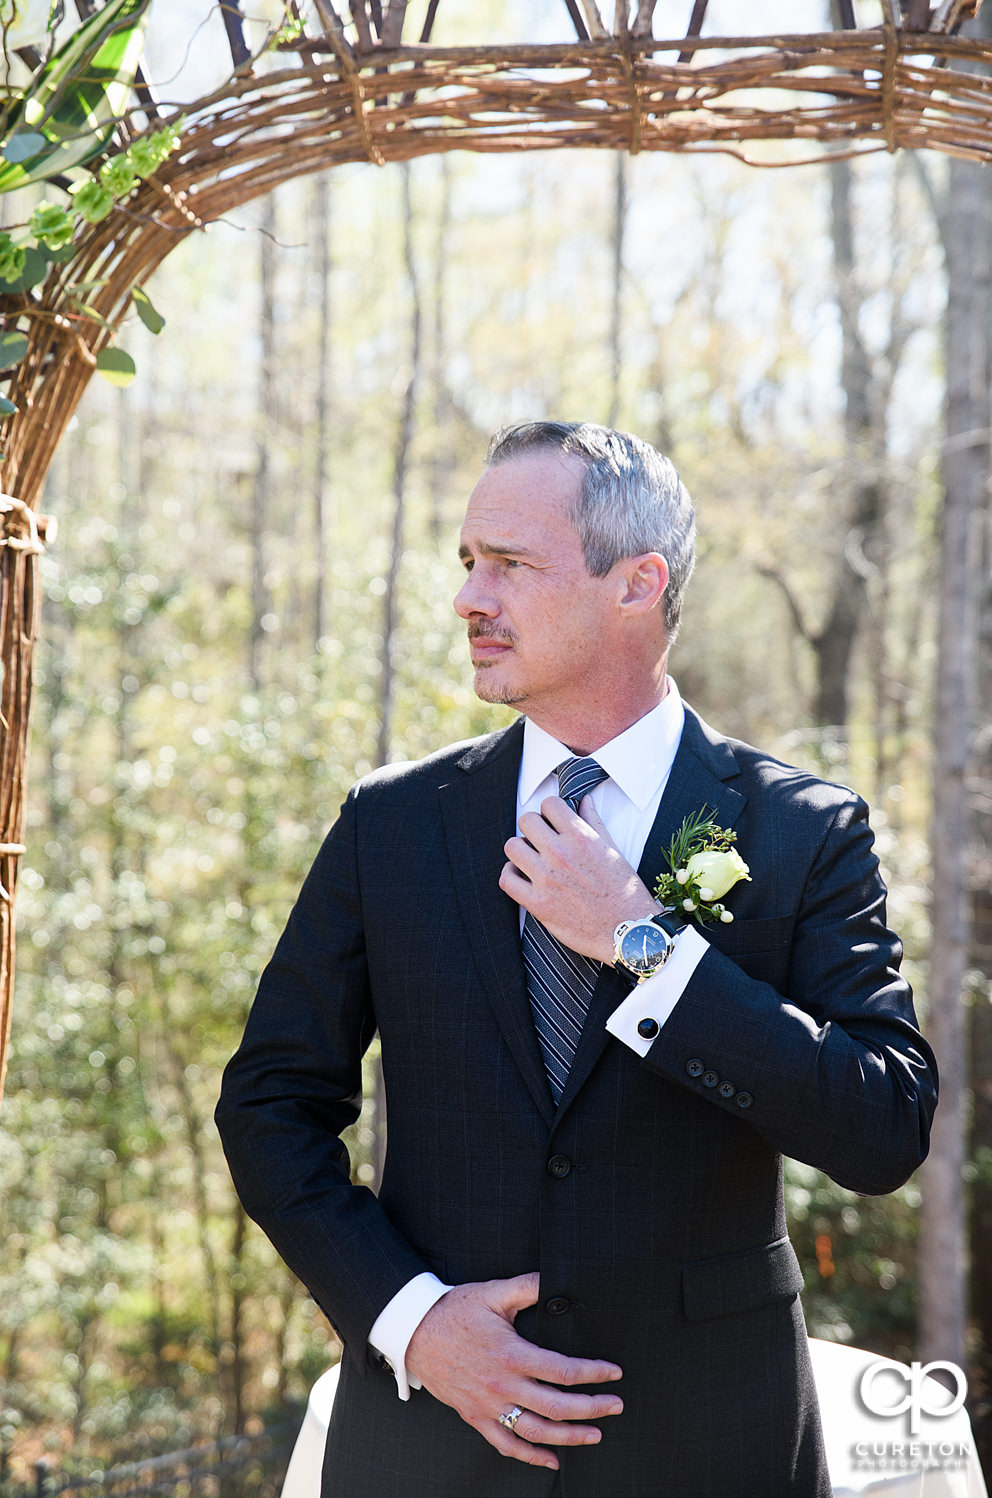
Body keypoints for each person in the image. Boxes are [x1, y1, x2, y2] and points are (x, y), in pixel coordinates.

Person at [216, 420, 937, 1498]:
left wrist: (646, 945)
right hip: (429, 1449)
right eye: (467, 562)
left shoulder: (801, 827)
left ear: (635, 584)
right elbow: (268, 1105)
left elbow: (883, 1126)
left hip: (706, 1448)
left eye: (509, 563)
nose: (468, 597)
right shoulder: (391, 823)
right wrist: (410, 1320)